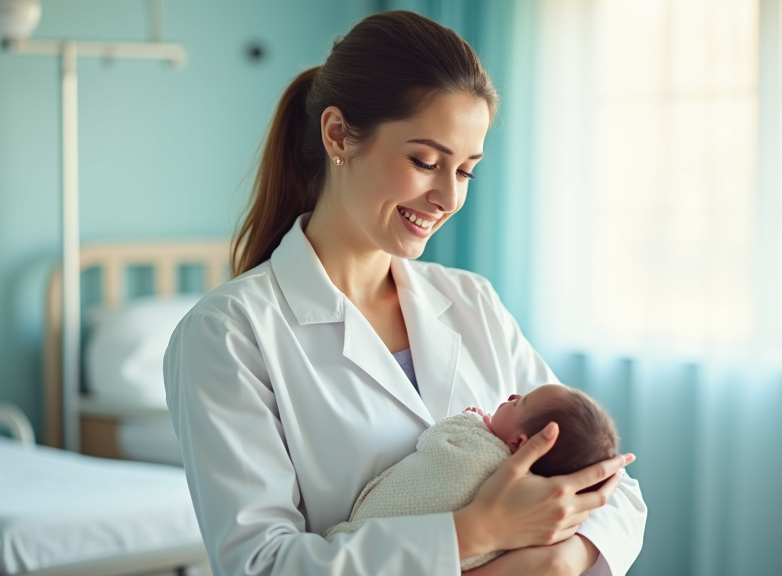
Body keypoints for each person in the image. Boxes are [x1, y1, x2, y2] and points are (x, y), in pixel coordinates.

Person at [163, 9, 647, 576]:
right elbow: (262, 564)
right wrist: (478, 532)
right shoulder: (230, 335)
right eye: (425, 161)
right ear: (338, 135)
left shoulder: (472, 302)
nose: (447, 197)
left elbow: (611, 484)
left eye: (465, 170)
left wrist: (562, 561)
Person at [324, 385, 621, 571]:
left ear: (519, 445)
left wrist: (565, 559)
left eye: (520, 401)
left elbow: (436, 439)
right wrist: (485, 530)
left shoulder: (475, 449)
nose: (512, 395)